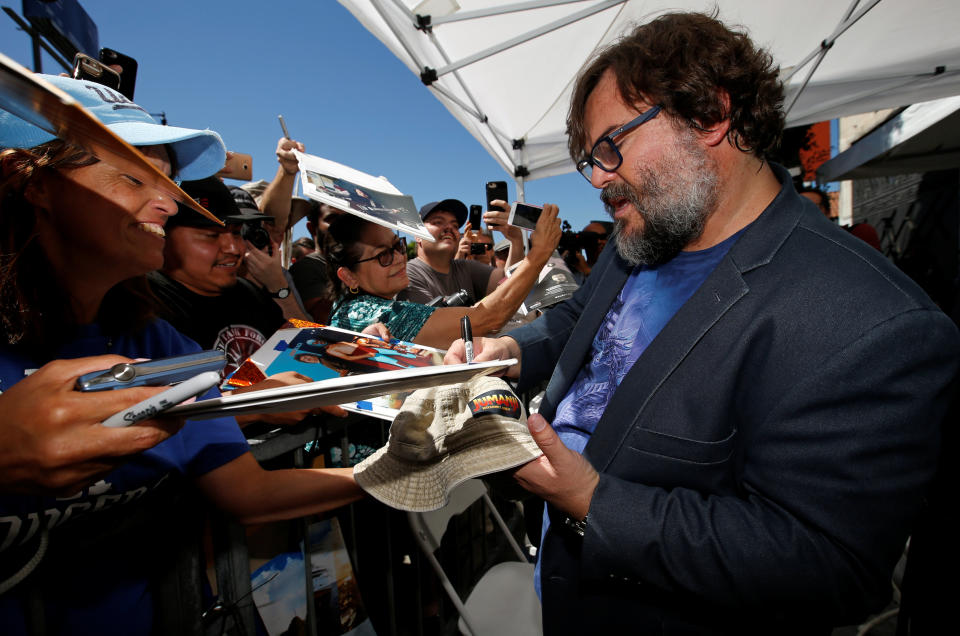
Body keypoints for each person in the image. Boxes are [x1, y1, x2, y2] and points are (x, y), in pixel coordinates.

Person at [445, 12, 959, 634]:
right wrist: (510, 349)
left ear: (713, 116)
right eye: (590, 159)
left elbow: (828, 567)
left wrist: (593, 503)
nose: (601, 179)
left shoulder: (874, 322)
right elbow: (578, 321)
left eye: (612, 145)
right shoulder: (648, 236)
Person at [0, 75, 363, 635]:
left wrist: (393, 473)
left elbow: (247, 491)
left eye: (169, 182)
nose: (169, 203)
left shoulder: (159, 344)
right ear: (31, 181)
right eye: (132, 177)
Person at [325, 211, 560, 349]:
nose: (398, 258)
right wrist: (539, 253)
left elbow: (489, 304)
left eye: (396, 246)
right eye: (383, 255)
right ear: (348, 276)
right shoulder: (363, 313)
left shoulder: (366, 304)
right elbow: (487, 319)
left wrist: (518, 243)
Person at [398, 199, 525, 305]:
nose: (449, 228)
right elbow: (433, 326)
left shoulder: (465, 268)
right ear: (417, 235)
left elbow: (510, 281)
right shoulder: (407, 274)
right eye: (438, 222)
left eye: (454, 225)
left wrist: (516, 240)